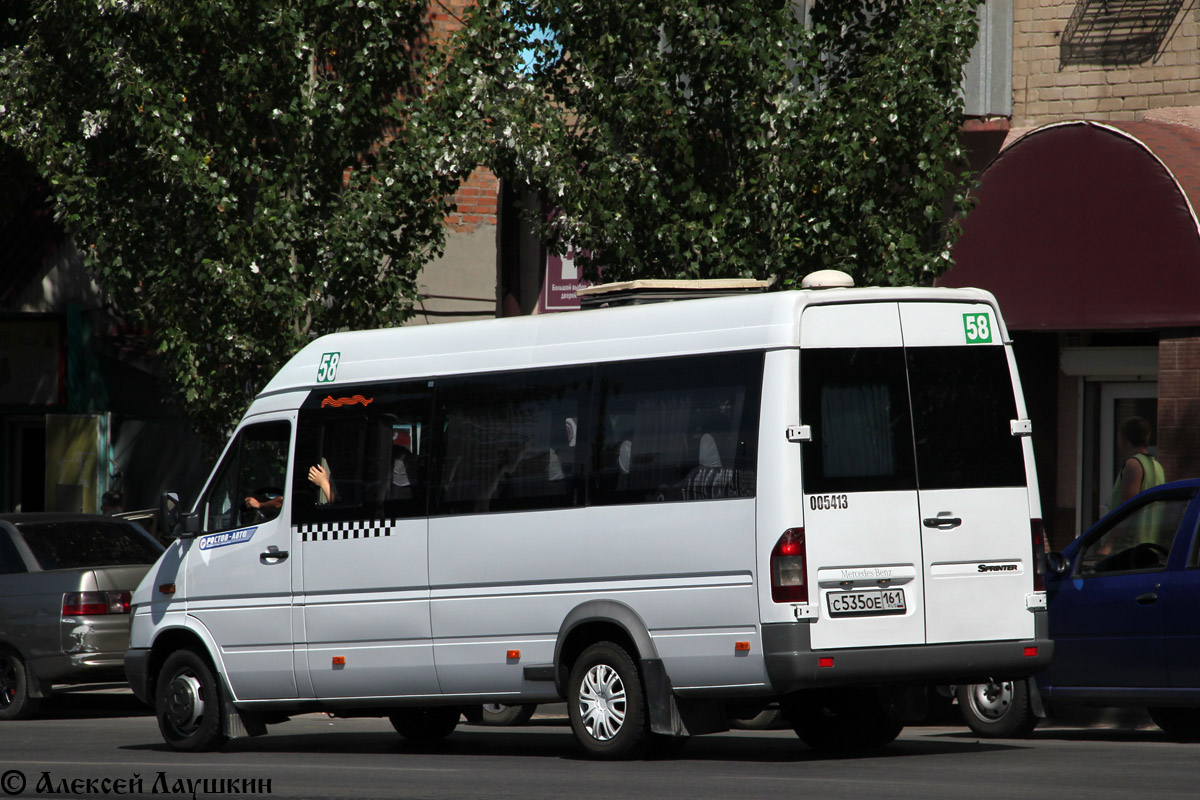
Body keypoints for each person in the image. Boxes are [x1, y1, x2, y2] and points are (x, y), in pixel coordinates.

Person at [1111, 416, 1165, 510]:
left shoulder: (1133, 465)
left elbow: (1128, 509)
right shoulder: (1157, 466)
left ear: (1124, 439)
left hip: (1134, 525)